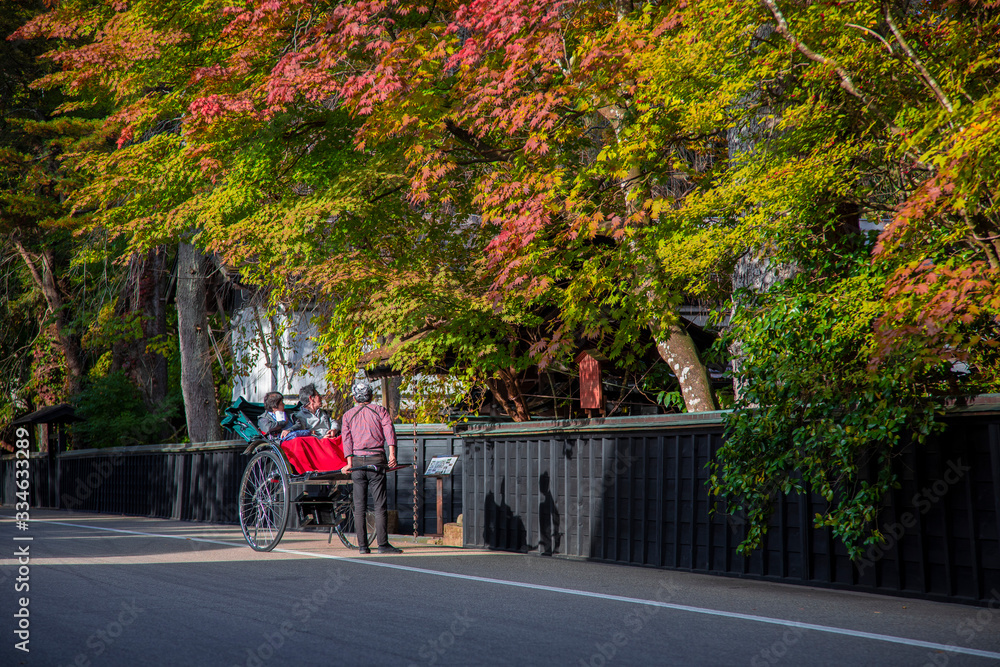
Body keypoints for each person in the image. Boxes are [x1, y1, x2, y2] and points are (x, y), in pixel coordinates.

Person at [340, 381, 402, 554]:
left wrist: (349, 462)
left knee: (359, 506)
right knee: (379, 505)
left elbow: (346, 439)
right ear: (372, 396)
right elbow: (389, 430)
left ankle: (362, 546)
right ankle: (382, 544)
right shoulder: (380, 410)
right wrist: (392, 455)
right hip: (377, 459)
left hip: (357, 463)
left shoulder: (348, 415)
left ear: (354, 397)